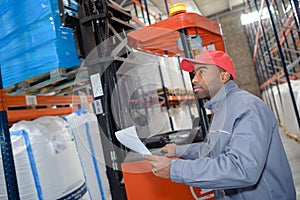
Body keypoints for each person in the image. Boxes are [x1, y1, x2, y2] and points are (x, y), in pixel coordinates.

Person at [144, 50, 296, 199]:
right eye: (194, 73)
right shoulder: (222, 110)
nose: (194, 80)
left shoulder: (247, 108)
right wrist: (178, 150)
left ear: (223, 76)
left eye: (201, 72)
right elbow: (211, 150)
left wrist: (174, 169)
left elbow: (242, 168)